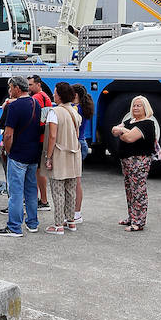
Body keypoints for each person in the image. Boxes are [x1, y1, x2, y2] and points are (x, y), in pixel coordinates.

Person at [0, 76, 42, 237]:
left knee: (15, 192)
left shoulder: (14, 107)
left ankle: (14, 227)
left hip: (18, 154)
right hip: (33, 154)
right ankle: (32, 223)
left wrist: (8, 151)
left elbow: (8, 134)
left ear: (17, 88)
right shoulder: (36, 103)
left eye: (10, 87)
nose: (9, 91)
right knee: (31, 190)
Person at [110, 94, 159, 232]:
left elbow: (129, 138)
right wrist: (123, 130)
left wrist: (122, 131)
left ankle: (139, 222)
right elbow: (114, 130)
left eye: (139, 105)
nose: (136, 108)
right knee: (130, 189)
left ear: (146, 107)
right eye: (134, 105)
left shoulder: (147, 123)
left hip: (139, 161)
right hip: (126, 160)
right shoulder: (130, 121)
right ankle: (132, 217)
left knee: (138, 191)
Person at [40, 82, 82, 233]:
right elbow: (76, 134)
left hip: (59, 154)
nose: (53, 95)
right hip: (73, 155)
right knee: (71, 189)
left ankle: (58, 225)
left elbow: (52, 136)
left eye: (55, 93)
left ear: (60, 95)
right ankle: (70, 221)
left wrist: (48, 157)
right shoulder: (74, 111)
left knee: (57, 191)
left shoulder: (54, 112)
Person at [27, 76, 53, 211]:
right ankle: (42, 199)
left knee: (38, 171)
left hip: (39, 139)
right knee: (39, 171)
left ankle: (42, 200)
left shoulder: (37, 97)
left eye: (31, 85)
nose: (29, 88)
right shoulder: (45, 96)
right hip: (43, 138)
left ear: (38, 84)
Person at [70, 84, 94, 224]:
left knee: (75, 182)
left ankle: (76, 213)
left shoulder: (75, 109)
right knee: (77, 181)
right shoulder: (84, 107)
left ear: (76, 95)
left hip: (76, 144)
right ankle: (76, 212)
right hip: (82, 142)